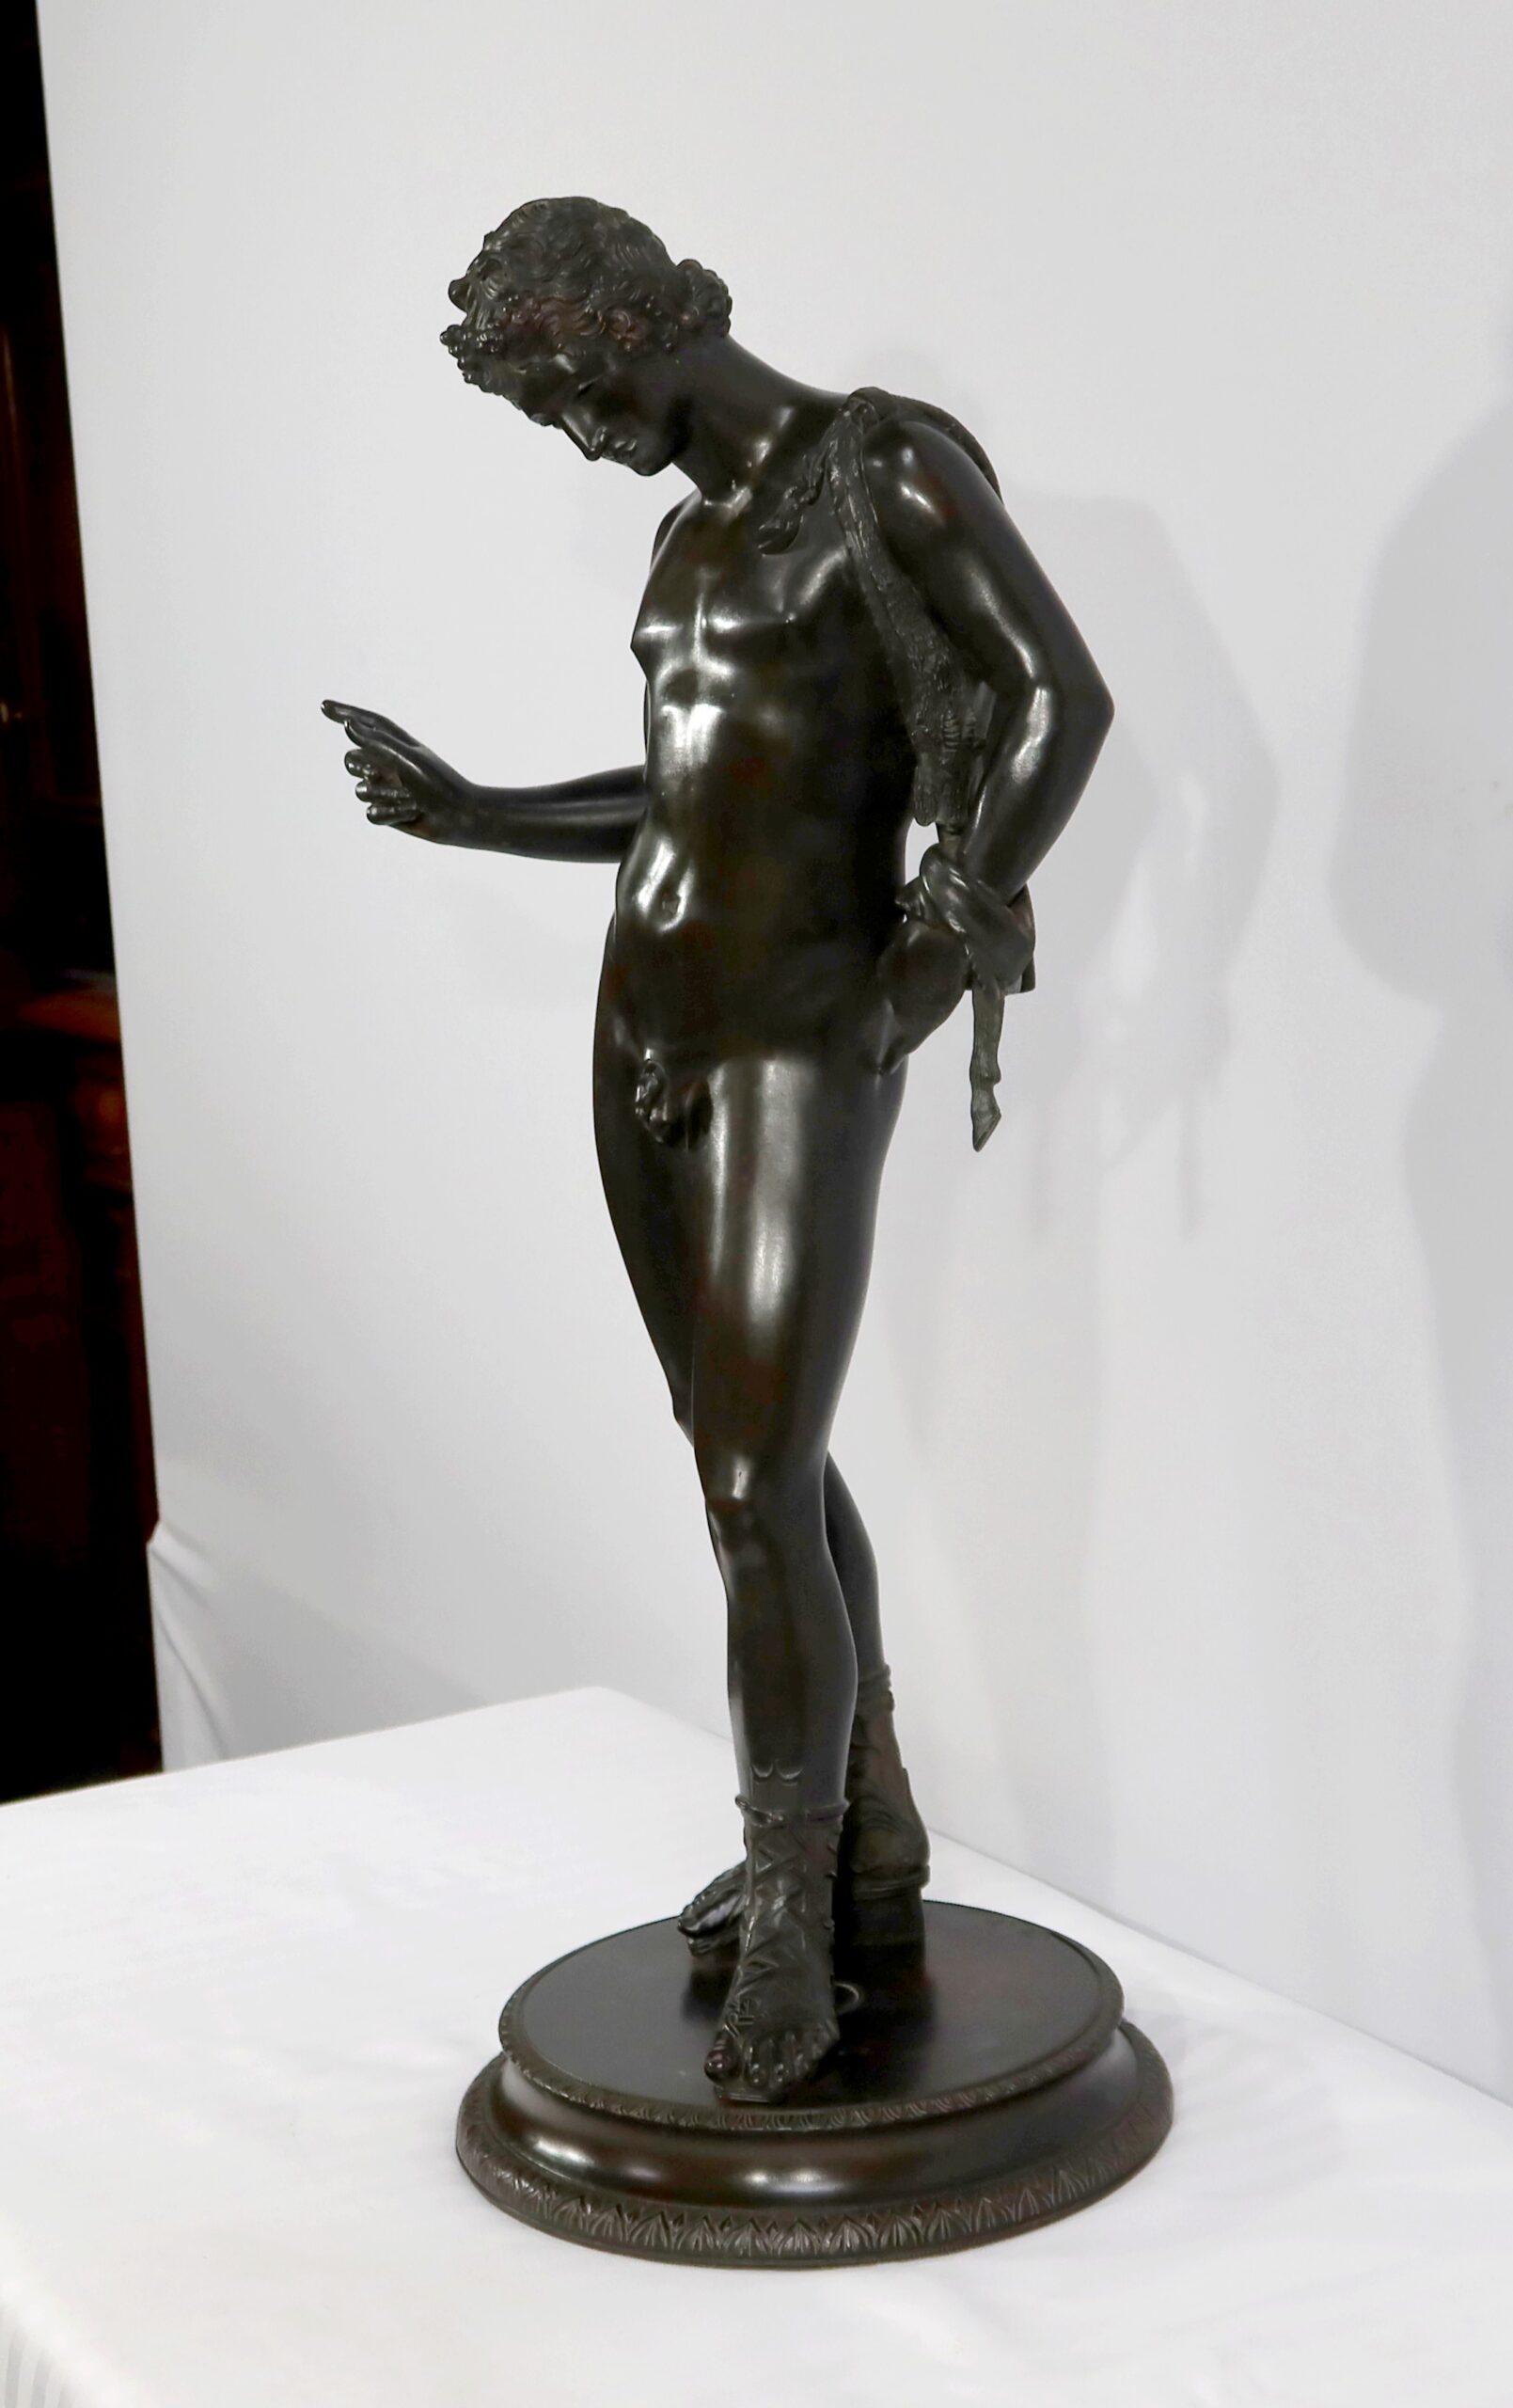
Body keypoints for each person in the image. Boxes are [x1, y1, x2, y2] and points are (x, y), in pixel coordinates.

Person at [324, 196, 1111, 2101]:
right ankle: (865, 1835)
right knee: (749, 1459)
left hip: (796, 1030)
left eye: (567, 396)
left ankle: (784, 1914)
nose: (575, 438)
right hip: (643, 1026)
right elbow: (694, 789)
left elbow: (1053, 700)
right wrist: (480, 812)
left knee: (755, 1486)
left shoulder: (881, 469)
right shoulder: (687, 538)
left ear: (636, 329)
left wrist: (923, 961)